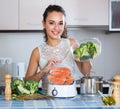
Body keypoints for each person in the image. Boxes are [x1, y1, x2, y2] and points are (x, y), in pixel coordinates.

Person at [25, 5, 92, 94]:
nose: (56, 28)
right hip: (47, 100)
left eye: (60, 23)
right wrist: (43, 71)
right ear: (44, 24)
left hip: (70, 99)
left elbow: (86, 72)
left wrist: (87, 54)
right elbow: (27, 83)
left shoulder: (72, 44)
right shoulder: (37, 52)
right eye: (52, 23)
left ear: (64, 25)